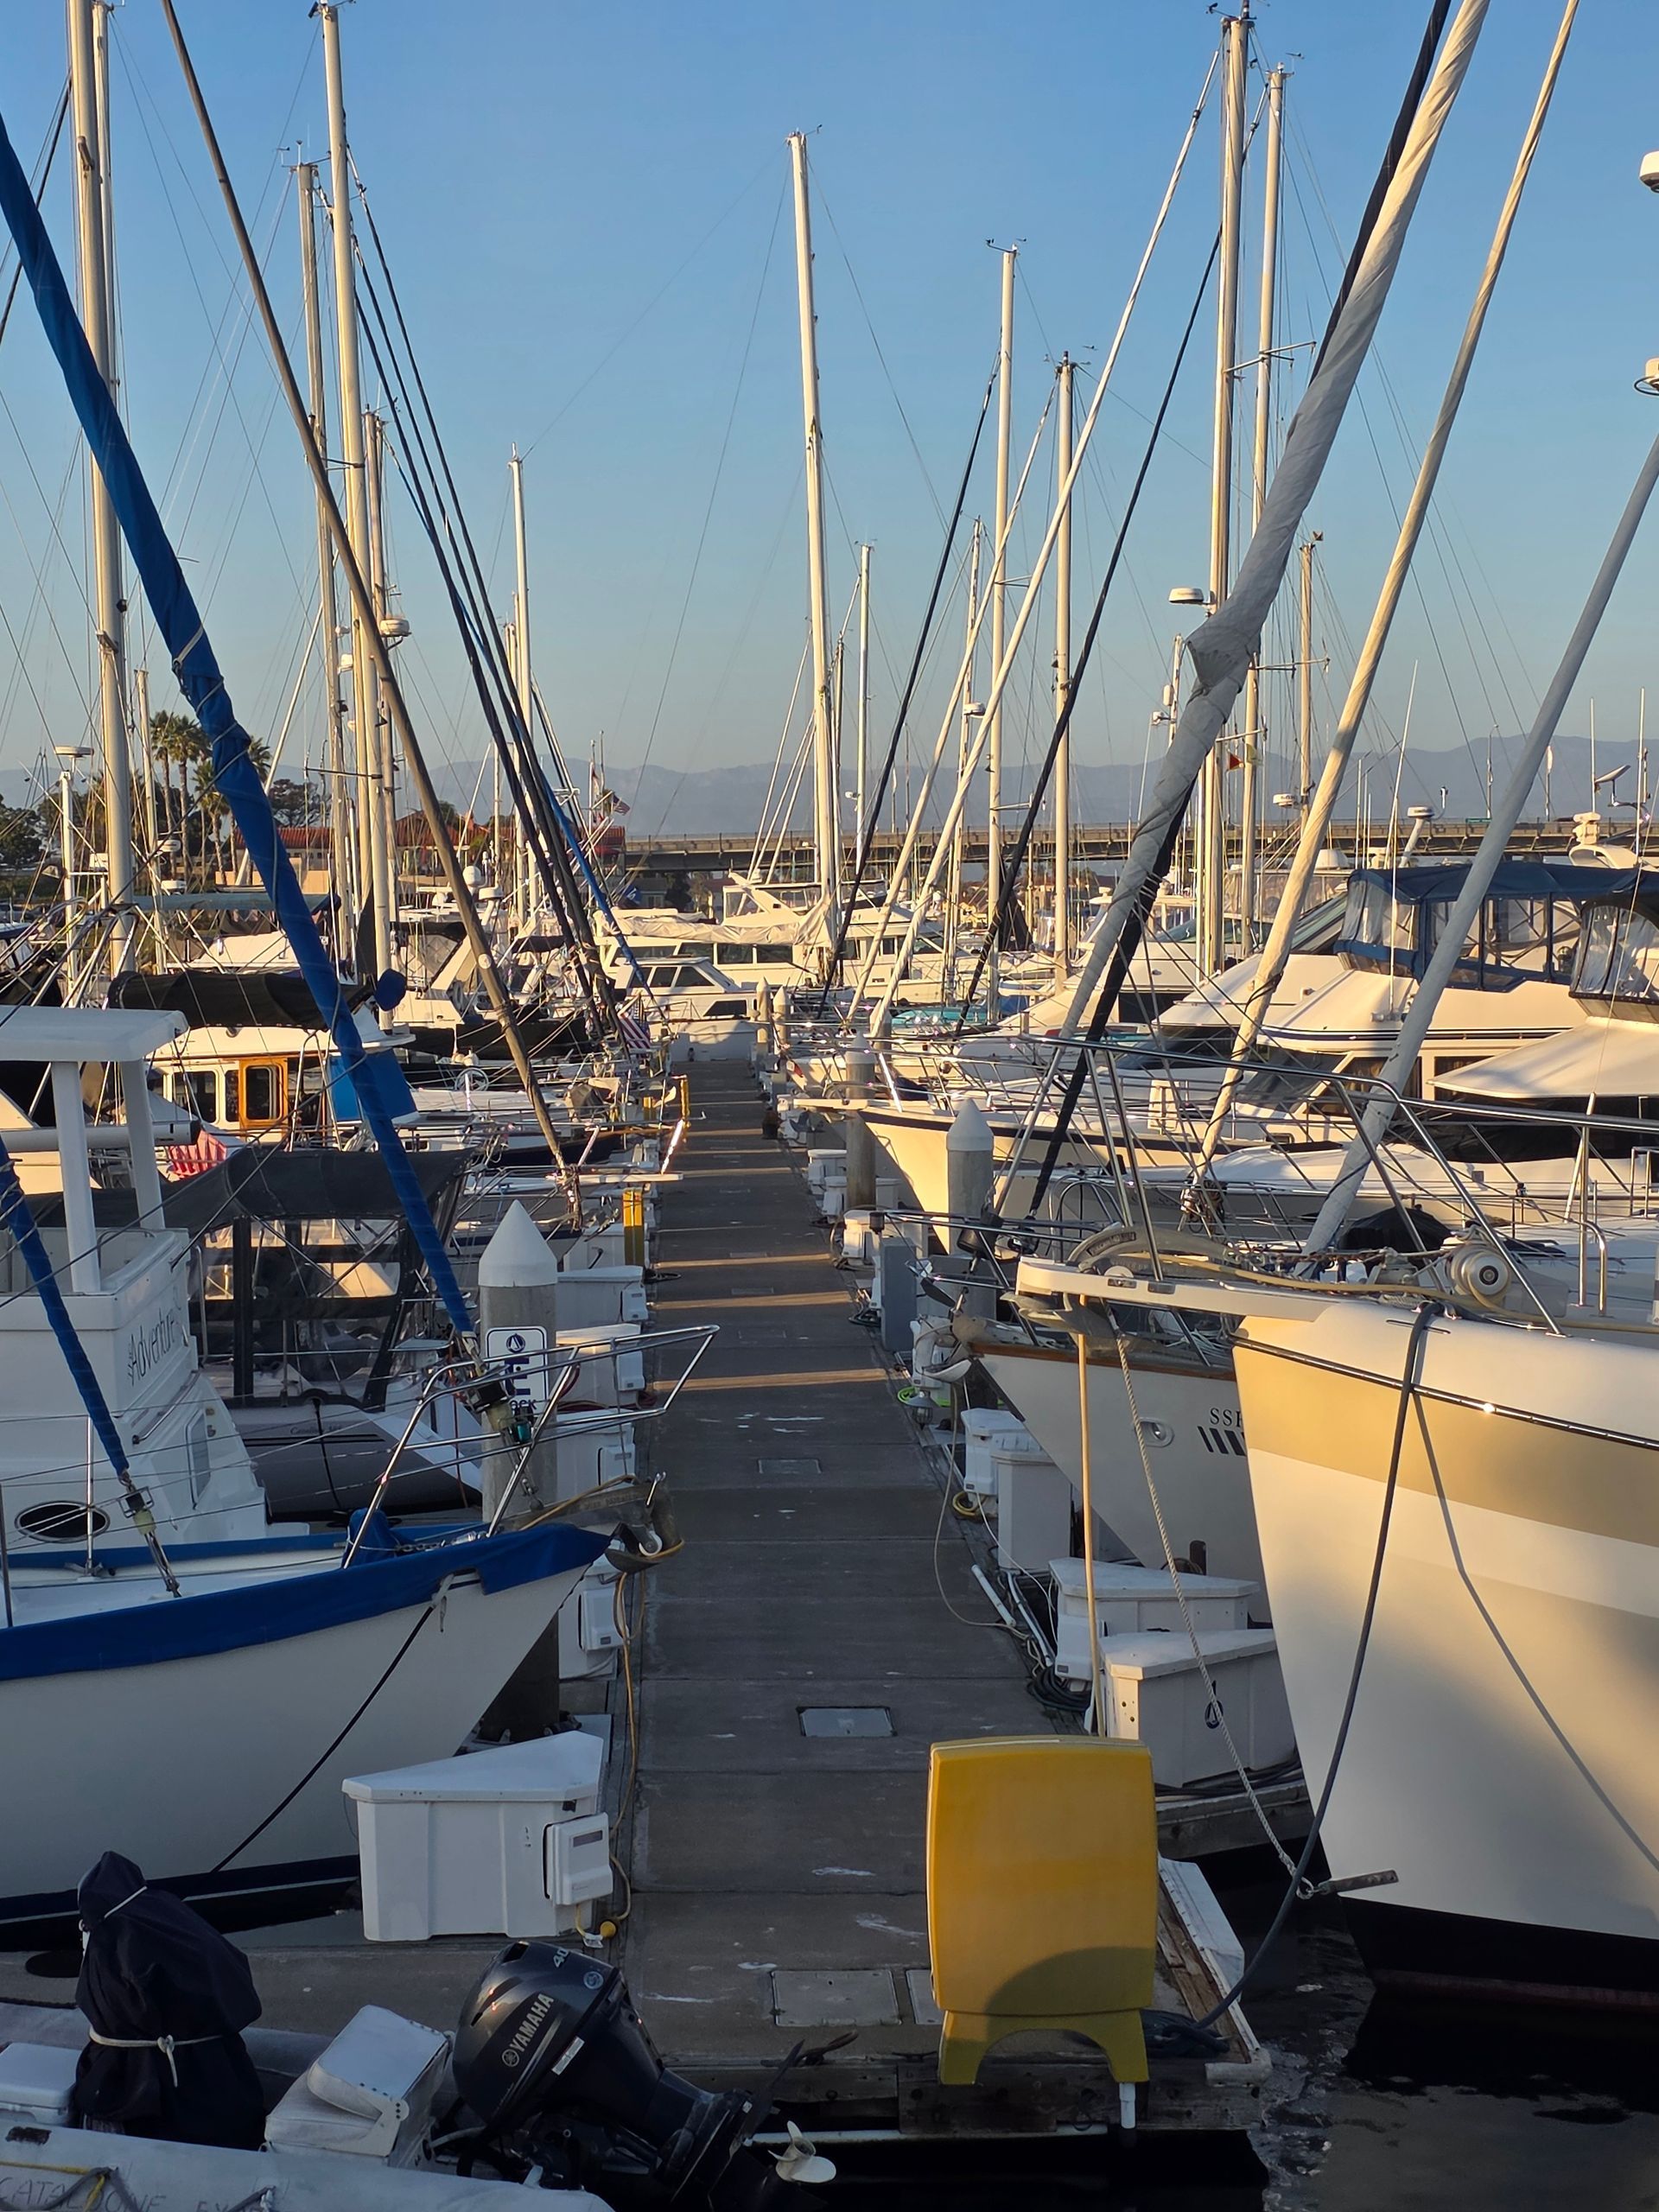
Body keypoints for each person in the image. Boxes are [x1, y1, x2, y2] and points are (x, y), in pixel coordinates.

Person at [72, 1852, 266, 2150]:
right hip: (221, 2076)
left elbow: (117, 2010)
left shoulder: (120, 1941)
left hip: (162, 2082)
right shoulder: (167, 1913)